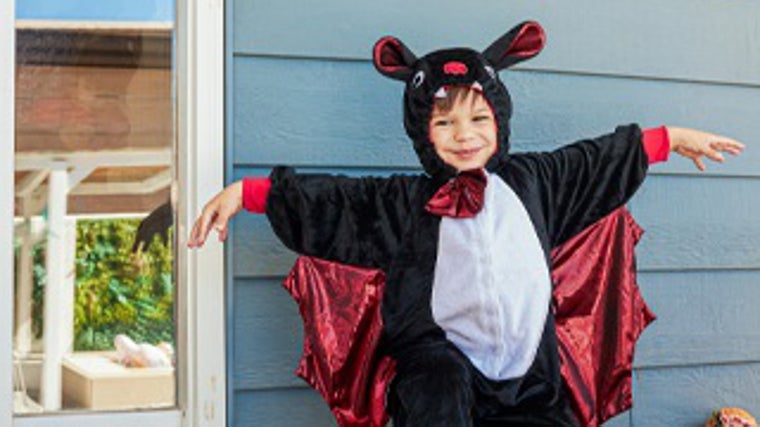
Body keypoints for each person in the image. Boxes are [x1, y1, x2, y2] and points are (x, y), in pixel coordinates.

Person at [188, 21, 744, 426]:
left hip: (530, 374)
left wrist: (670, 138)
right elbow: (333, 203)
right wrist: (248, 192)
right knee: (437, 386)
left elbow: (598, 160)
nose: (464, 133)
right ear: (422, 132)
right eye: (445, 121)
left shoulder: (537, 183)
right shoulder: (402, 203)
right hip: (441, 374)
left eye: (479, 117)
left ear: (499, 122)